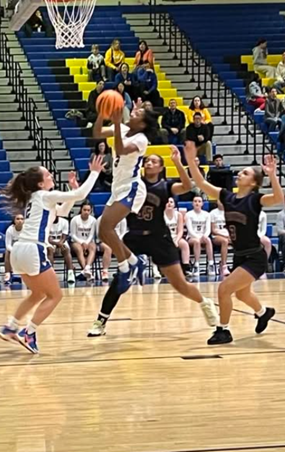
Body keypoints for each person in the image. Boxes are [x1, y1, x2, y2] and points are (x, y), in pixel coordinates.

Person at [88, 149, 219, 336]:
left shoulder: (165, 187)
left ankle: (205, 303)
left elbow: (188, 186)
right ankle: (100, 321)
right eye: (147, 161)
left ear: (161, 167)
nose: (149, 163)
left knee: (179, 283)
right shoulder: (133, 185)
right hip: (134, 236)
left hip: (158, 237)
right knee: (119, 281)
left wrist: (177, 162)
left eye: (154, 161)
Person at [0, 156, 104, 353]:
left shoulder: (36, 199)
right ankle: (28, 333)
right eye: (47, 174)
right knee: (56, 295)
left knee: (38, 293)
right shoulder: (45, 196)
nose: (51, 175)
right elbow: (81, 195)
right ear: (40, 183)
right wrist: (95, 173)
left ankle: (11, 326)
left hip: (19, 250)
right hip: (32, 249)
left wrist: (72, 189)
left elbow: (62, 212)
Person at [183, 145, 282, 344]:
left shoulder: (255, 200)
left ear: (253, 182)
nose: (239, 174)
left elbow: (278, 198)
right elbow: (201, 183)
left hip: (255, 256)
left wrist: (272, 175)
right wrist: (191, 161)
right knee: (242, 294)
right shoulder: (227, 197)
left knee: (224, 289)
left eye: (245, 173)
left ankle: (224, 331)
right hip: (240, 254)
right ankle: (263, 312)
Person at [92, 99, 159, 294]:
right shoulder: (121, 128)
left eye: (137, 115)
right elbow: (97, 133)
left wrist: (115, 121)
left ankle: (124, 269)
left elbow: (121, 149)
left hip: (132, 187)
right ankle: (133, 261)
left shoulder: (141, 139)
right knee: (102, 232)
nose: (132, 114)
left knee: (107, 226)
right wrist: (102, 114)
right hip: (118, 187)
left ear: (142, 124)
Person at [186, 195, 215, 276]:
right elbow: (190, 230)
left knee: (208, 240)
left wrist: (205, 236)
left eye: (199, 201)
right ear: (192, 203)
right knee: (197, 241)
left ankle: (211, 264)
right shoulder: (188, 214)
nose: (197, 203)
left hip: (203, 236)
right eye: (195, 201)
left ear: (202, 204)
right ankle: (196, 265)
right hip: (192, 237)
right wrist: (198, 237)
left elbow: (208, 229)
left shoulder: (207, 214)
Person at [70, 201, 98, 281]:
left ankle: (87, 269)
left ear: (91, 211)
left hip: (88, 241)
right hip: (76, 241)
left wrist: (86, 243)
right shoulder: (75, 219)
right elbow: (73, 234)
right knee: (79, 249)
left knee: (93, 247)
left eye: (88, 210)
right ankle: (86, 270)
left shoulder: (93, 220)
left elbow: (92, 234)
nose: (86, 212)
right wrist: (82, 242)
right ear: (81, 210)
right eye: (84, 210)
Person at [164, 197, 191, 276]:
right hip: (165, 237)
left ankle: (186, 267)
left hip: (176, 237)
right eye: (167, 202)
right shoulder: (161, 215)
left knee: (184, 244)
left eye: (171, 202)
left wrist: (176, 240)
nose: (169, 203)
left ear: (174, 204)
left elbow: (180, 231)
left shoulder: (178, 215)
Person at [47, 214, 75, 283]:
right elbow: (48, 239)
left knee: (66, 249)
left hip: (61, 241)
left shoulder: (64, 222)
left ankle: (70, 273)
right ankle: (51, 273)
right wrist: (56, 244)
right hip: (50, 242)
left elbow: (64, 237)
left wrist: (60, 243)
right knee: (49, 250)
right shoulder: (47, 222)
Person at [97, 216, 127, 282]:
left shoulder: (122, 218)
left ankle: (122, 270)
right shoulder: (100, 219)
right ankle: (105, 272)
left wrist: (116, 240)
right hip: (104, 241)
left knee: (123, 247)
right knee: (108, 249)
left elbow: (123, 233)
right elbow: (98, 234)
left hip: (118, 240)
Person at [210, 201, 231, 277]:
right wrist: (224, 236)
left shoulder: (229, 212)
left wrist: (230, 236)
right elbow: (213, 230)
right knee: (224, 241)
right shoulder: (213, 213)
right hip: (217, 236)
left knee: (239, 241)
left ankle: (239, 264)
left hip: (228, 235)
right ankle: (224, 266)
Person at [4, 214, 24, 284]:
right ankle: (7, 274)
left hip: (24, 249)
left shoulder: (26, 230)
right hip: (13, 249)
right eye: (18, 219)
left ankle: (28, 274)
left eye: (22, 219)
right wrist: (15, 251)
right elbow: (8, 245)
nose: (20, 221)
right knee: (7, 252)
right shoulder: (10, 230)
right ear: (14, 221)